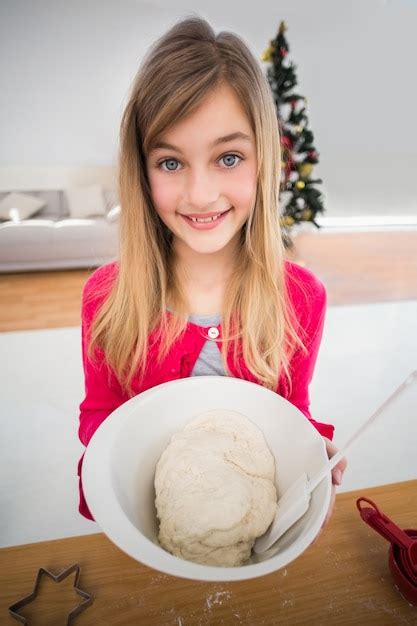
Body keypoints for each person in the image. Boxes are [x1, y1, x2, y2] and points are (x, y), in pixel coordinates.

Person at [77, 15, 347, 532]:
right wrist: (111, 459)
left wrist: (310, 444)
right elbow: (98, 414)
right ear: (141, 169)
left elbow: (292, 411)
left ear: (263, 160)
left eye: (228, 157)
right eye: (171, 163)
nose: (200, 195)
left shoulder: (301, 298)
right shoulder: (106, 298)